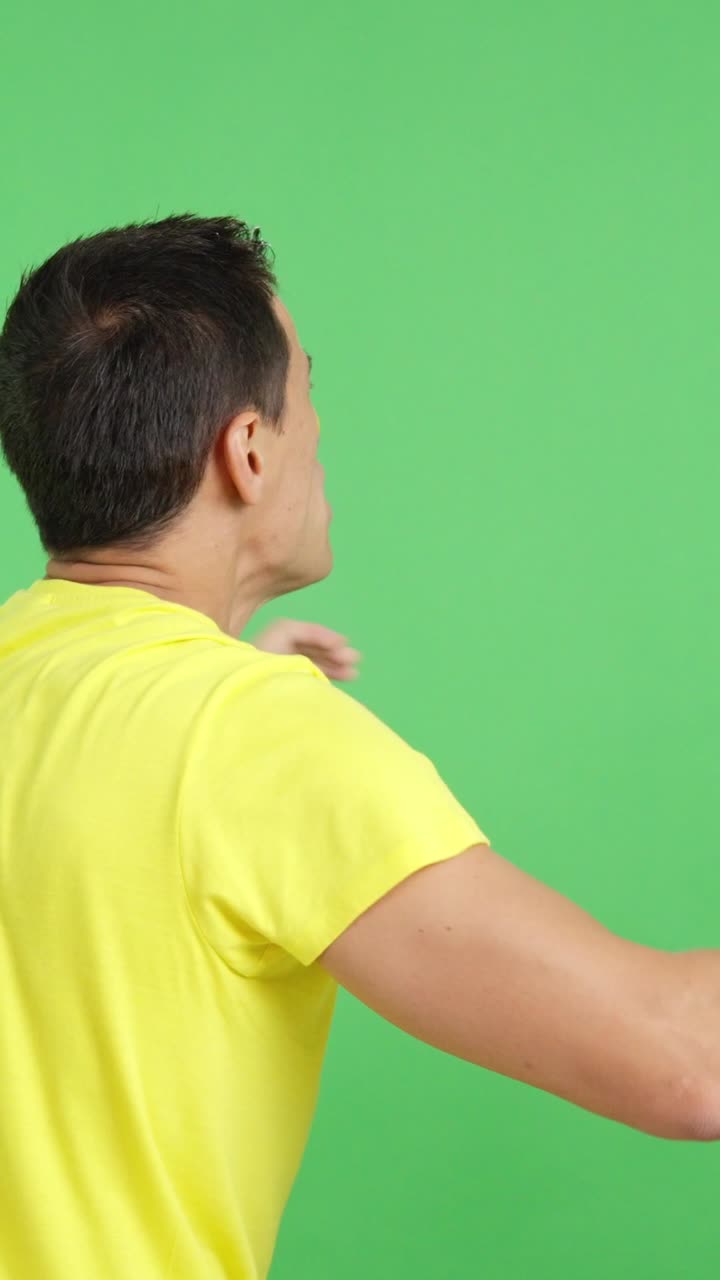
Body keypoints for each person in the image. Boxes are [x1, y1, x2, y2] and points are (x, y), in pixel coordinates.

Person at [0, 213, 716, 1280]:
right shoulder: (251, 740)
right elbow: (685, 1059)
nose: (320, 433)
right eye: (308, 396)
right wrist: (236, 713)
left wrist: (216, 679)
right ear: (247, 450)